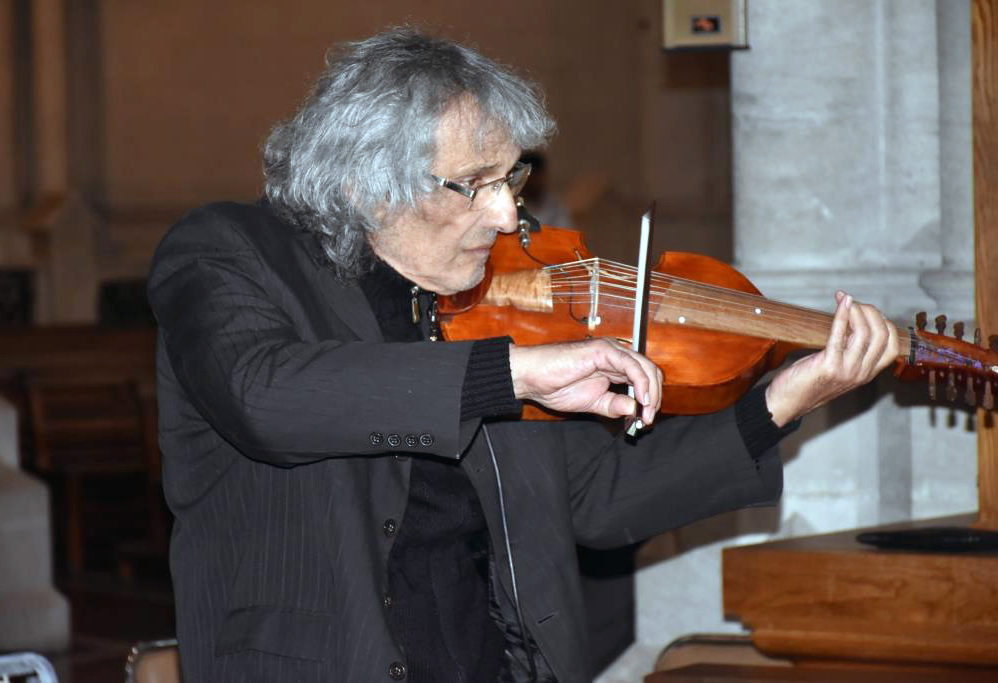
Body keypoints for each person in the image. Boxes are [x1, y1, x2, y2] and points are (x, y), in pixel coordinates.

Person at [147, 28, 899, 683]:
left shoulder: (498, 302)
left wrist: (787, 398)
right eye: (474, 185)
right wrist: (511, 373)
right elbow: (263, 395)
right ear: (362, 184)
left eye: (511, 178)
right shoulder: (230, 254)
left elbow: (602, 496)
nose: (509, 213)